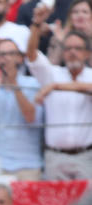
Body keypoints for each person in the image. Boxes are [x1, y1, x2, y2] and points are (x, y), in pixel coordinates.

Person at [28, 4, 92, 180]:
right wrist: (36, 24)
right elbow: (32, 56)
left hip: (86, 156)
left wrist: (56, 87)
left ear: (87, 54)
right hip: (55, 156)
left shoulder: (89, 76)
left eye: (78, 49)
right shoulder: (52, 74)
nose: (72, 53)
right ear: (63, 53)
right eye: (68, 48)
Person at [0, 38, 44, 179]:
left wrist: (14, 83)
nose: (6, 58)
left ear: (20, 58)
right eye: (1, 54)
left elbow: (31, 117)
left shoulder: (33, 84)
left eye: (10, 53)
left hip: (27, 165)